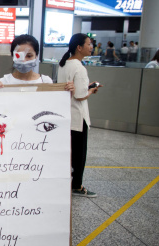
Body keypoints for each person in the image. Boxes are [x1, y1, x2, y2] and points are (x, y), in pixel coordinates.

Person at [57, 33, 102, 198]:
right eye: (89, 44)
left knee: (69, 152)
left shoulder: (63, 64)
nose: (91, 47)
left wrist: (85, 88)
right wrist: (91, 89)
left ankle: (66, 182)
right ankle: (77, 185)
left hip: (65, 115)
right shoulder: (79, 67)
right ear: (79, 47)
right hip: (78, 117)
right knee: (79, 154)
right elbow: (80, 95)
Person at [0, 34, 74, 92]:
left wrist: (68, 93)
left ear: (36, 56)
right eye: (19, 56)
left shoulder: (45, 82)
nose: (24, 61)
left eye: (29, 56)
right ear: (13, 56)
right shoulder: (4, 82)